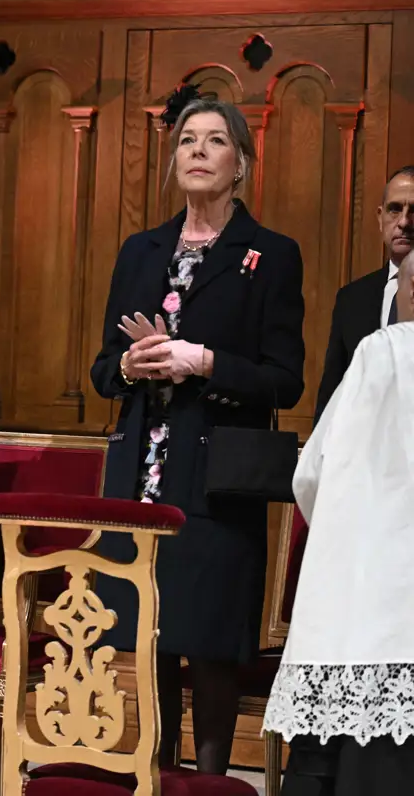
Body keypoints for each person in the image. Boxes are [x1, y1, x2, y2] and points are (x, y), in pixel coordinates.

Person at [90, 89, 305, 774]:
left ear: (240, 163)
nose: (199, 152)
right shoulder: (141, 249)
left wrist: (203, 362)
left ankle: (209, 783)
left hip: (215, 480)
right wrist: (128, 363)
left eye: (215, 141)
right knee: (149, 638)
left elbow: (284, 379)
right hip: (142, 478)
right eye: (187, 141)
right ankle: (151, 775)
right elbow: (100, 370)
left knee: (208, 641)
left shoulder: (270, 254)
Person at [263, 249, 414, 796]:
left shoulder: (379, 353)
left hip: (368, 585)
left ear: (408, 295)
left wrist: (343, 530)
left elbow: (312, 473)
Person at [314, 166, 414, 422]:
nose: (404, 221)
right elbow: (331, 394)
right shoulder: (352, 299)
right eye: (395, 209)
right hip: (365, 454)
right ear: (380, 218)